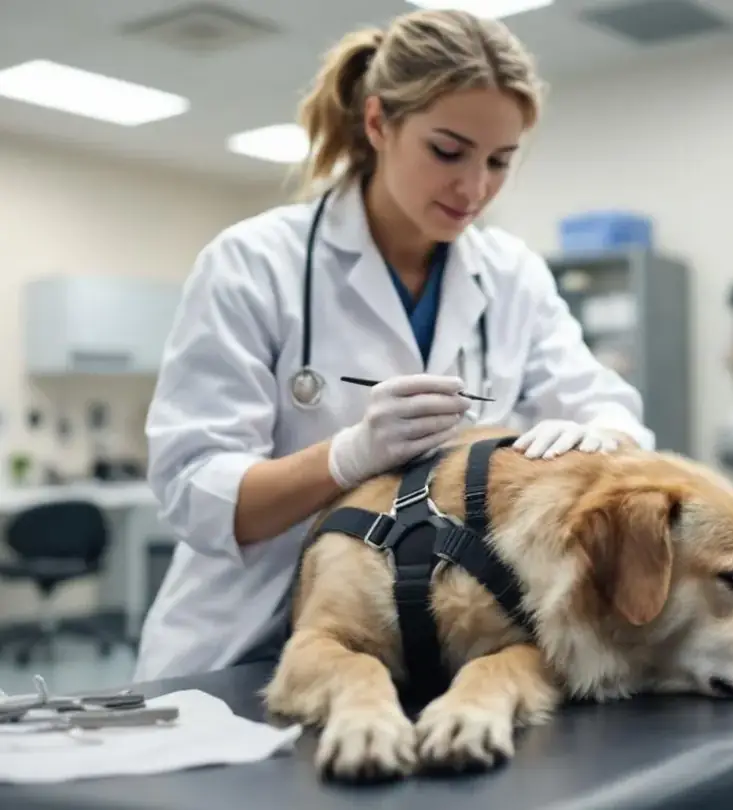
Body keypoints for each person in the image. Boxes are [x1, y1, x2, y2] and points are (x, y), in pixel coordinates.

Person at [134, 8, 654, 682]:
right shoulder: (254, 263)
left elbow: (608, 407)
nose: (475, 187)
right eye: (448, 151)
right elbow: (196, 492)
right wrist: (347, 456)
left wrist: (599, 437)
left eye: (499, 161)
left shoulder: (512, 275)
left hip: (423, 643)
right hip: (242, 644)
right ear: (378, 123)